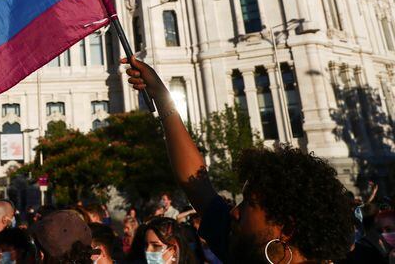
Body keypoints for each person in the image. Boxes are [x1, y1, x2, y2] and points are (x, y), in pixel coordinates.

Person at [124, 56, 355, 263]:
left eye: (248, 205)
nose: (234, 212)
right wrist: (163, 100)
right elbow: (197, 185)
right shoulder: (244, 249)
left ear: (287, 228)